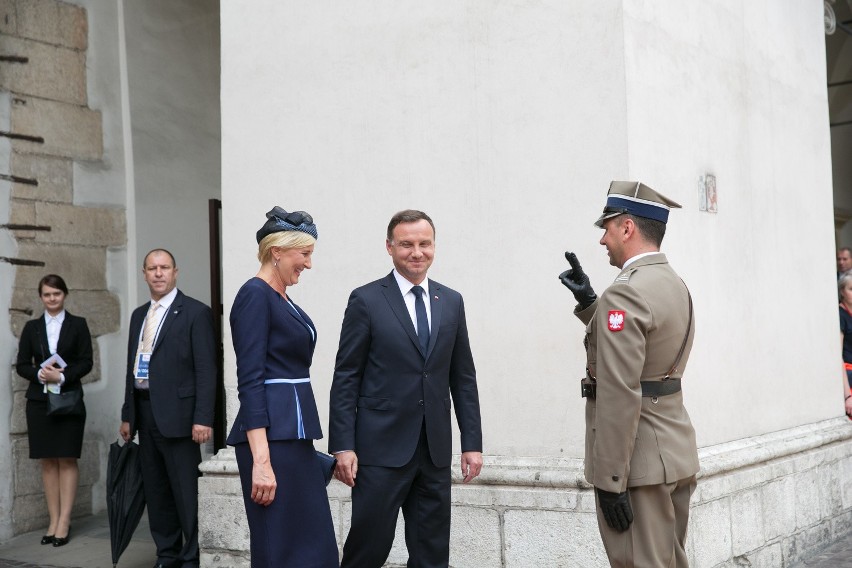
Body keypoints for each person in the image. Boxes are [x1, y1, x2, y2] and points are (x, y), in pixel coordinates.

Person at [329, 209, 483, 568]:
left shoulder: (451, 301)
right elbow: (346, 376)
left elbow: (463, 377)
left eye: (424, 244)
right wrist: (343, 445)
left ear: (434, 246)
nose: (417, 252)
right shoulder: (366, 300)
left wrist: (471, 443)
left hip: (433, 450)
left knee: (431, 552)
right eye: (407, 244)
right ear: (389, 247)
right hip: (379, 451)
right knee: (369, 547)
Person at [558, 181, 699, 568]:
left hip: (637, 463)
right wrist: (591, 304)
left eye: (607, 227)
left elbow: (619, 389)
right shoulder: (674, 283)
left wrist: (611, 479)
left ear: (627, 228)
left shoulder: (626, 292)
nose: (603, 239)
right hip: (672, 449)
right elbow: (654, 351)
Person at [225, 207, 338, 567]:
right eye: (304, 254)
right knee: (283, 551)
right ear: (277, 251)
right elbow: (251, 381)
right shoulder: (254, 295)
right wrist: (261, 462)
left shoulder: (280, 297)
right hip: (271, 443)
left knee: (314, 549)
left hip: (294, 439)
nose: (308, 264)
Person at [120, 249, 216, 568]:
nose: (158, 273)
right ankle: (167, 554)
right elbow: (132, 367)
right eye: (152, 268)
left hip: (181, 419)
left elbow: (206, 369)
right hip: (145, 416)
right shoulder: (138, 316)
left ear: (176, 272)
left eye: (164, 268)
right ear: (144, 274)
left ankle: (191, 556)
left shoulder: (195, 312)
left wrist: (203, 418)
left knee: (185, 493)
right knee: (157, 493)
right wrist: (127, 414)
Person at [16, 274, 92, 548]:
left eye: (56, 294)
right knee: (47, 460)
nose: (52, 299)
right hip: (38, 402)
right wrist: (40, 374)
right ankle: (53, 519)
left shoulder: (78, 325)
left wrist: (61, 377)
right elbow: (22, 364)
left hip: (69, 400)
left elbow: (86, 362)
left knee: (67, 458)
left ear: (64, 295)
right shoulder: (31, 327)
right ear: (41, 297)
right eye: (47, 295)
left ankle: (64, 521)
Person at [837, 273, 852, 418]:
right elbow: (837, 357)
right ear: (842, 291)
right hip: (849, 375)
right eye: (851, 289)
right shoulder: (840, 315)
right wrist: (848, 396)